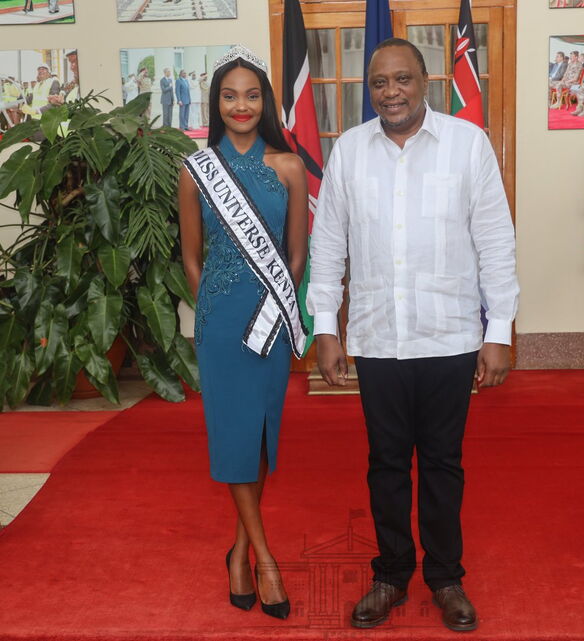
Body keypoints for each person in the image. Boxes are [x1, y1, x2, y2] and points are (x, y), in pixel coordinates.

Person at [307, 38, 518, 633]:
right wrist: (327, 327)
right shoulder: (349, 151)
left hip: (449, 335)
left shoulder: (467, 144)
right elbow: (328, 249)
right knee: (386, 463)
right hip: (378, 339)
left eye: (402, 79)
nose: (390, 92)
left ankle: (446, 577)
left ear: (426, 82)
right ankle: (392, 573)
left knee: (444, 464)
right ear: (368, 89)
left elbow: (495, 242)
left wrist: (497, 329)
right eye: (379, 83)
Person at [178, 45, 308, 621]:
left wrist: (271, 309)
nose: (241, 105)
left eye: (252, 95)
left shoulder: (289, 166)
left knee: (257, 439)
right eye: (230, 95)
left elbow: (297, 257)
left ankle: (236, 552)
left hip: (271, 324)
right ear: (216, 102)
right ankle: (263, 557)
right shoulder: (197, 170)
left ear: (266, 102)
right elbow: (190, 259)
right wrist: (217, 306)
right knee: (233, 434)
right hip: (220, 325)